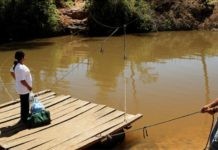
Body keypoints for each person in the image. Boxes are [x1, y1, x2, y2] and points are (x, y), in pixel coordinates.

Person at [10, 51, 32, 124]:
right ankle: (24, 119)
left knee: (24, 104)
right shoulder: (20, 67)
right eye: (24, 56)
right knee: (25, 104)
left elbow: (12, 72)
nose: (25, 57)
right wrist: (29, 87)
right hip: (24, 89)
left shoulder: (17, 65)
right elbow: (22, 80)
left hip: (23, 89)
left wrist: (16, 79)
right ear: (22, 57)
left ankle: (24, 117)